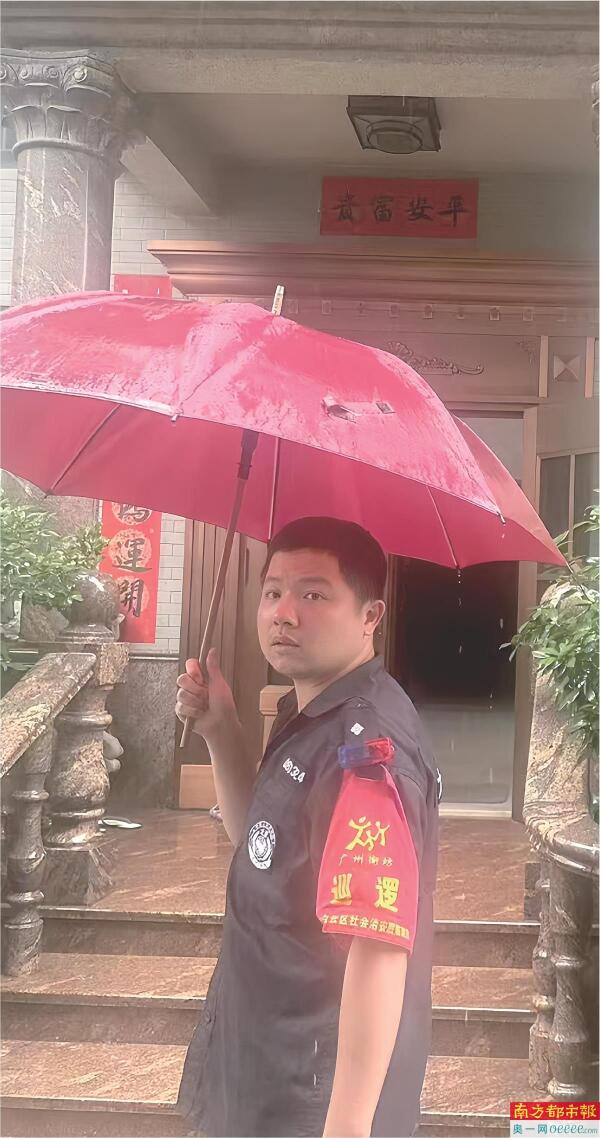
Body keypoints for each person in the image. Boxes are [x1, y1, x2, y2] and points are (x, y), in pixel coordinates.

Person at [175, 517, 440, 1138]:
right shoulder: (310, 709)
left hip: (308, 1096)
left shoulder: (365, 751)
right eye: (272, 592)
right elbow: (262, 847)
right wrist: (221, 728)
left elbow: (377, 948)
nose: (283, 614)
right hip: (259, 1059)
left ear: (370, 616)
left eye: (314, 594)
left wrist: (346, 1129)